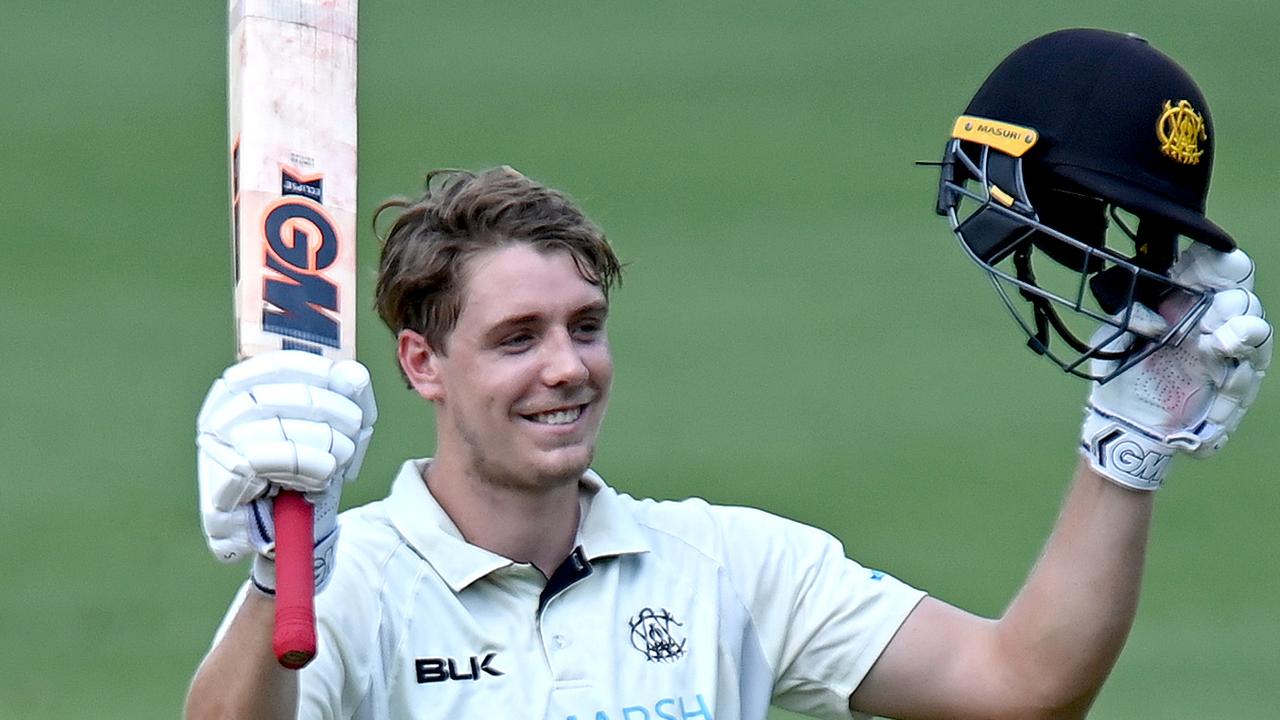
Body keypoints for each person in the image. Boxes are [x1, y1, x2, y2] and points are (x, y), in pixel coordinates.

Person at [186, 29, 1271, 720]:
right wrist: (278, 585)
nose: (565, 368)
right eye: (516, 338)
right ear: (422, 362)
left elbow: (1021, 687)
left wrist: (1123, 454)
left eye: (585, 325)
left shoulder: (731, 569)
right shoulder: (351, 586)